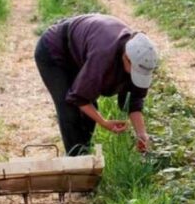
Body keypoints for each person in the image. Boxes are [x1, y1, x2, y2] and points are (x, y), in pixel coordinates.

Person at [35, 14, 158, 156]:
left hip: (81, 50)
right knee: (71, 110)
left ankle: (84, 154)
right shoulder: (104, 57)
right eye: (135, 71)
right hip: (54, 51)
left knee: (89, 113)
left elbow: (134, 99)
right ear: (126, 57)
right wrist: (104, 122)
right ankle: (76, 163)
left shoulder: (141, 57)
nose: (136, 75)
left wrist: (141, 134)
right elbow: (79, 98)